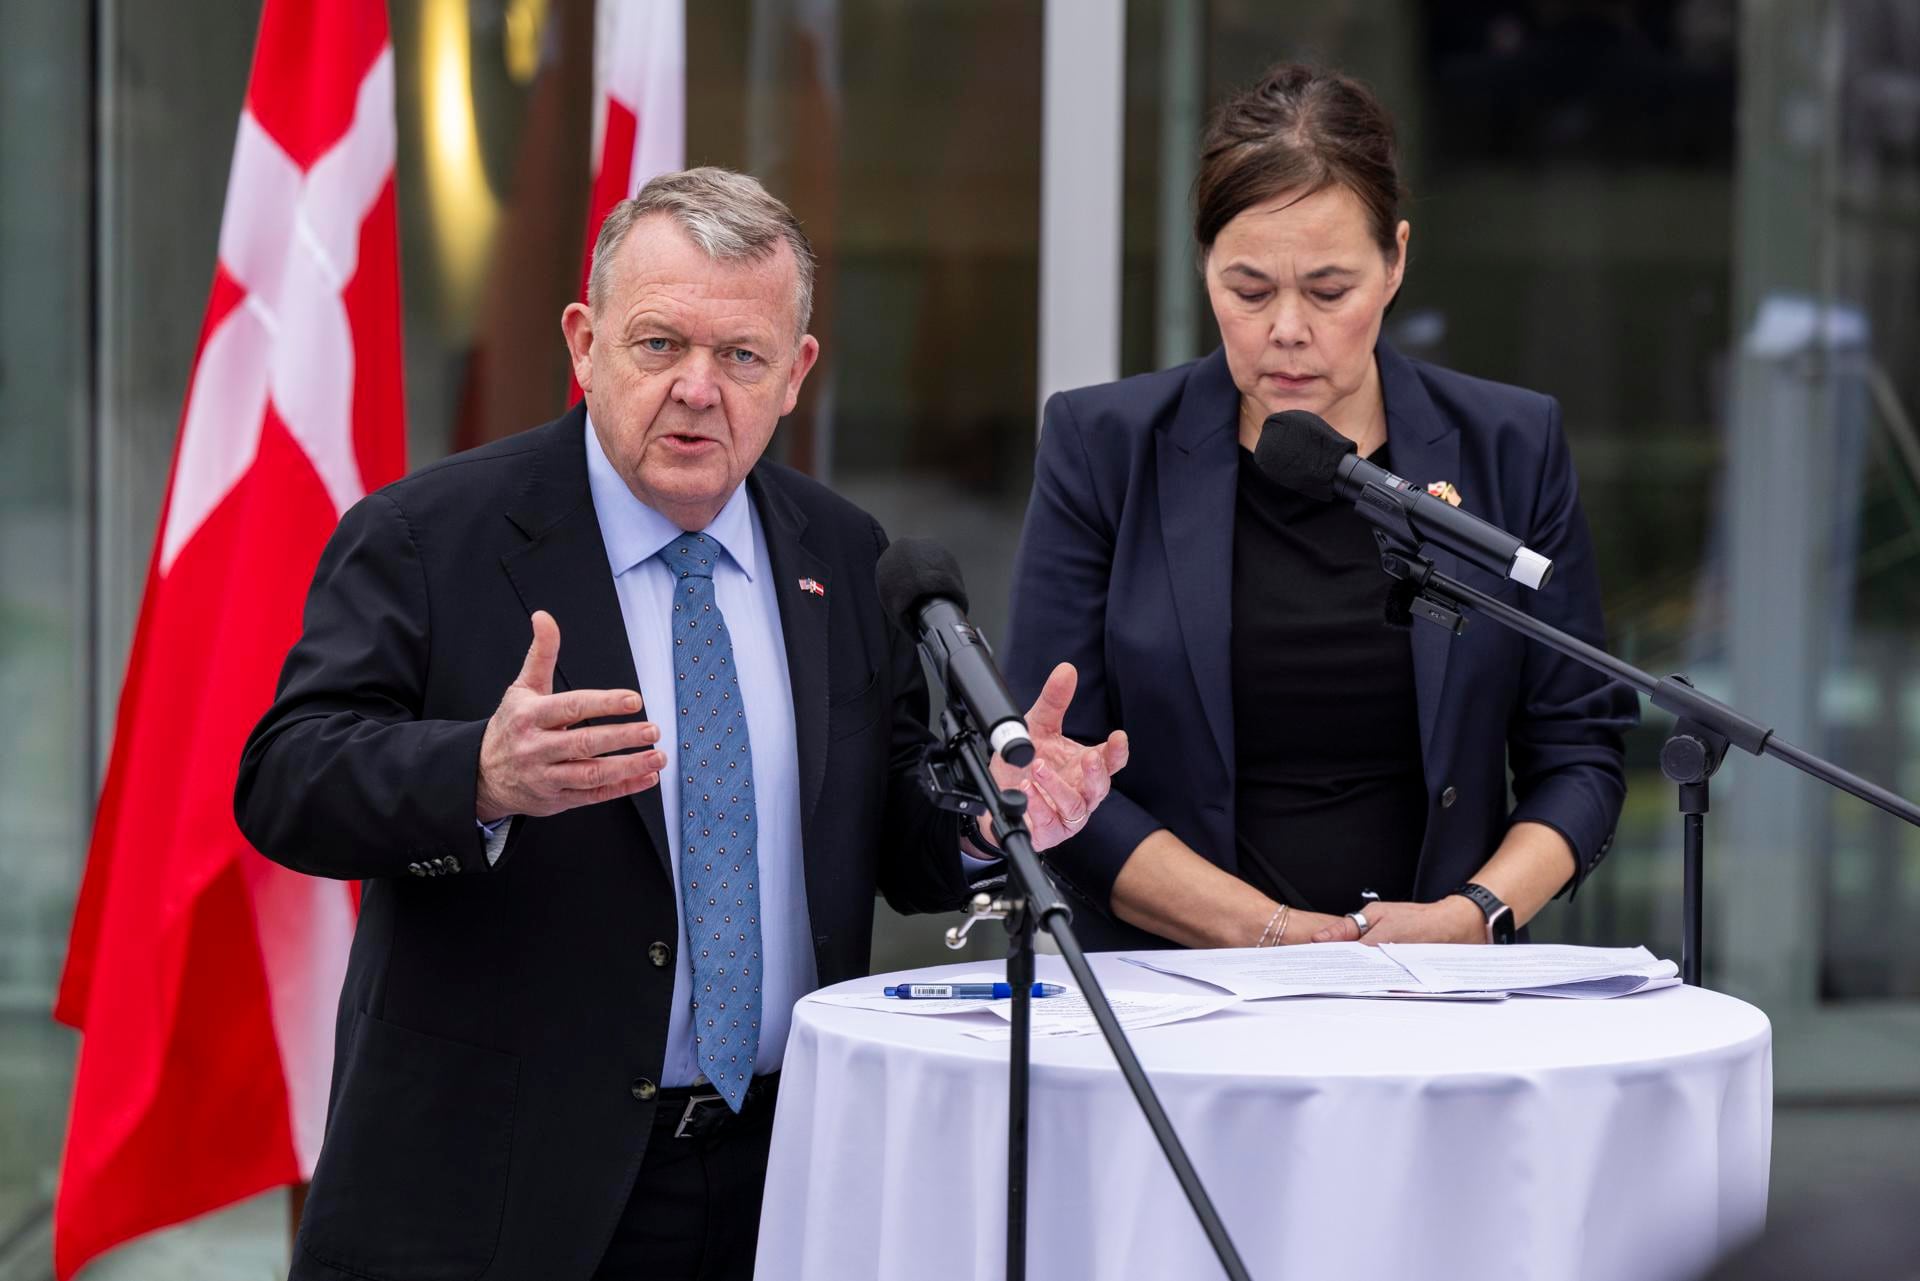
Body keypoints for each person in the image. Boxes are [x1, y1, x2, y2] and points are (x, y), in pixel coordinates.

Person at [235, 167, 1127, 1281]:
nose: (699, 389)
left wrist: (990, 819)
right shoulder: (430, 537)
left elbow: (883, 820)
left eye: (741, 356)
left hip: (779, 1174)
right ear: (584, 341)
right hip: (500, 1193)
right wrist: (480, 774)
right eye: (660, 346)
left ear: (796, 374)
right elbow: (285, 778)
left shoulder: (844, 555)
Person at [1004, 63, 1637, 954]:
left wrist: (1472, 917)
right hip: (1172, 991)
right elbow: (1057, 771)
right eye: (1249, 290)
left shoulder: (1509, 444)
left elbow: (1579, 746)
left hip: (1437, 994)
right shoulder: (1103, 447)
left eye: (1329, 290)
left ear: (1397, 261)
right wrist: (1271, 935)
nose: (1287, 329)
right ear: (1205, 269)